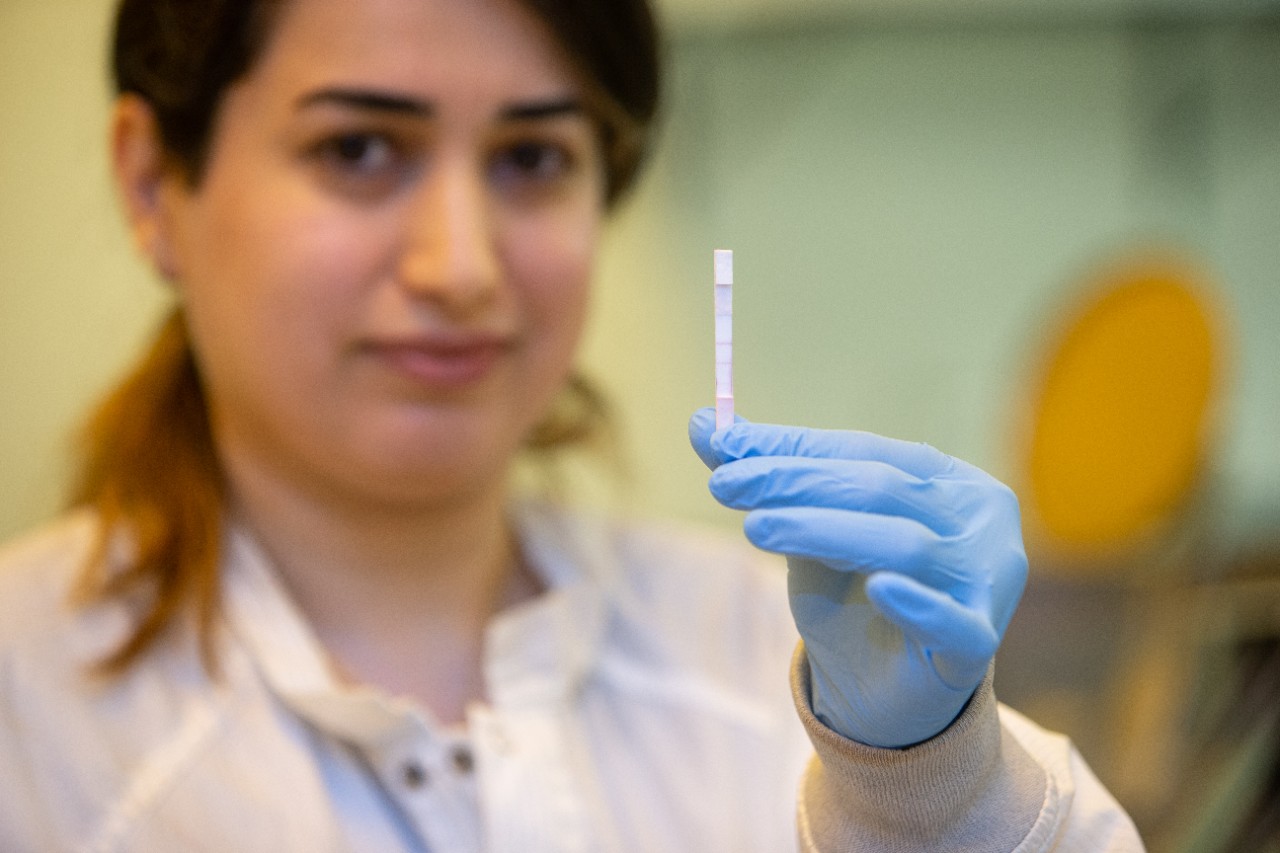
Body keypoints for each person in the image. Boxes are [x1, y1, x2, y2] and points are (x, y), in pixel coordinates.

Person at [0, 0, 1144, 849]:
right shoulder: (31, 721)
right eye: (358, 148)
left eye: (532, 158)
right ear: (152, 185)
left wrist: (928, 788)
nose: (459, 265)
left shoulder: (785, 666)